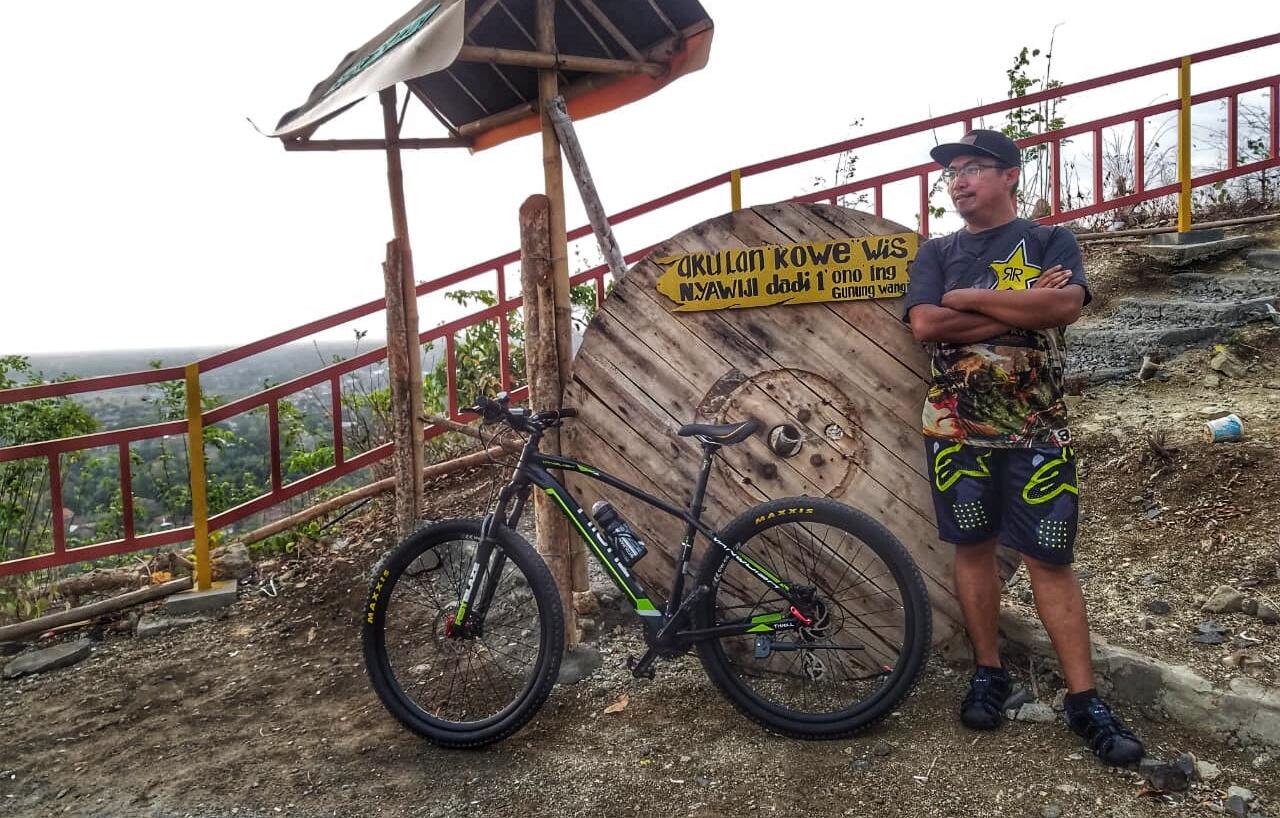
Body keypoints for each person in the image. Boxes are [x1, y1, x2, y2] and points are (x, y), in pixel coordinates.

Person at [901, 129, 1144, 767]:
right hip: (957, 430)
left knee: (1049, 559)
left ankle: (1083, 699)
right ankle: (988, 670)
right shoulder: (937, 250)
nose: (958, 180)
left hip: (1038, 425)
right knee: (973, 549)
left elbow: (1064, 306)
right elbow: (927, 324)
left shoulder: (1048, 240)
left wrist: (969, 298)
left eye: (974, 167)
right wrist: (1021, 305)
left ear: (1010, 174)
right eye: (951, 171)